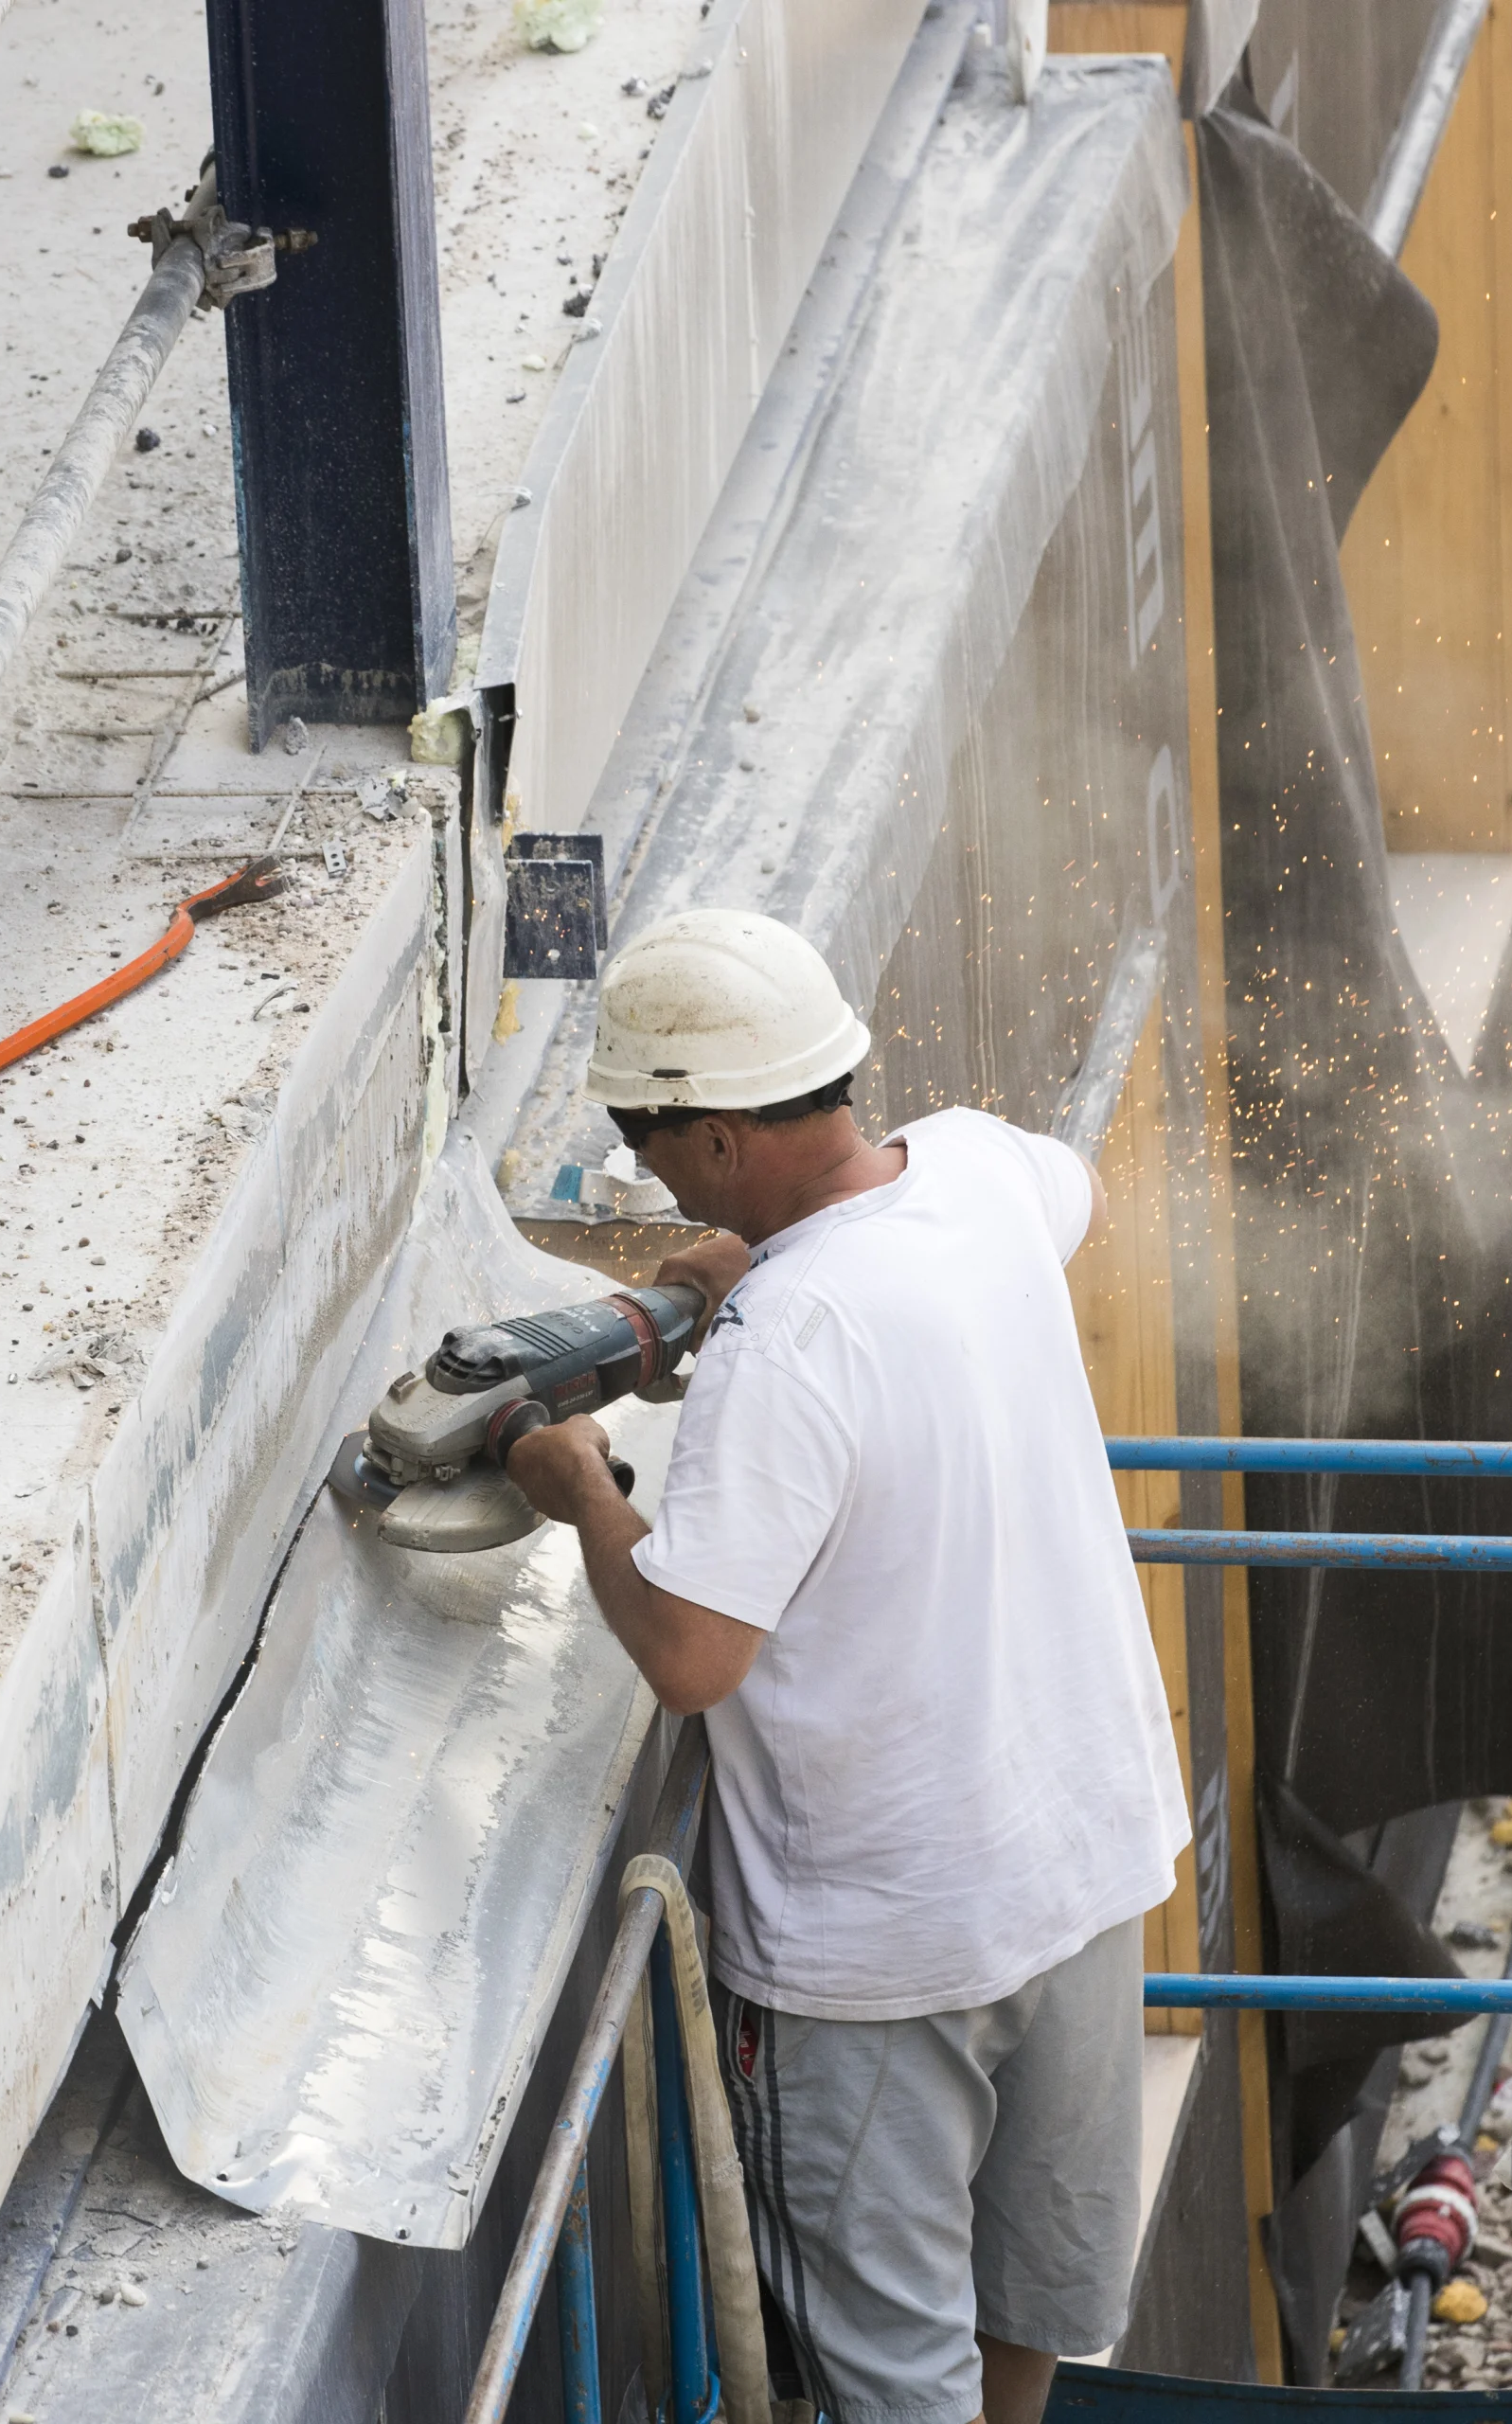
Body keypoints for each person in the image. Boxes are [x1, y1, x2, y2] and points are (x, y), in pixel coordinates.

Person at [504, 909, 1192, 2424]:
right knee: (1030, 2305)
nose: (652, 1171)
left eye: (652, 1137)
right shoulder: (978, 1171)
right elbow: (1039, 1201)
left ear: (726, 1137)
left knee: (892, 2380)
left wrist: (585, 1491)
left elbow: (691, 1653)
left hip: (881, 1947)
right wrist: (749, 1261)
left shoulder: (789, 1345)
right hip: (1078, 1865)